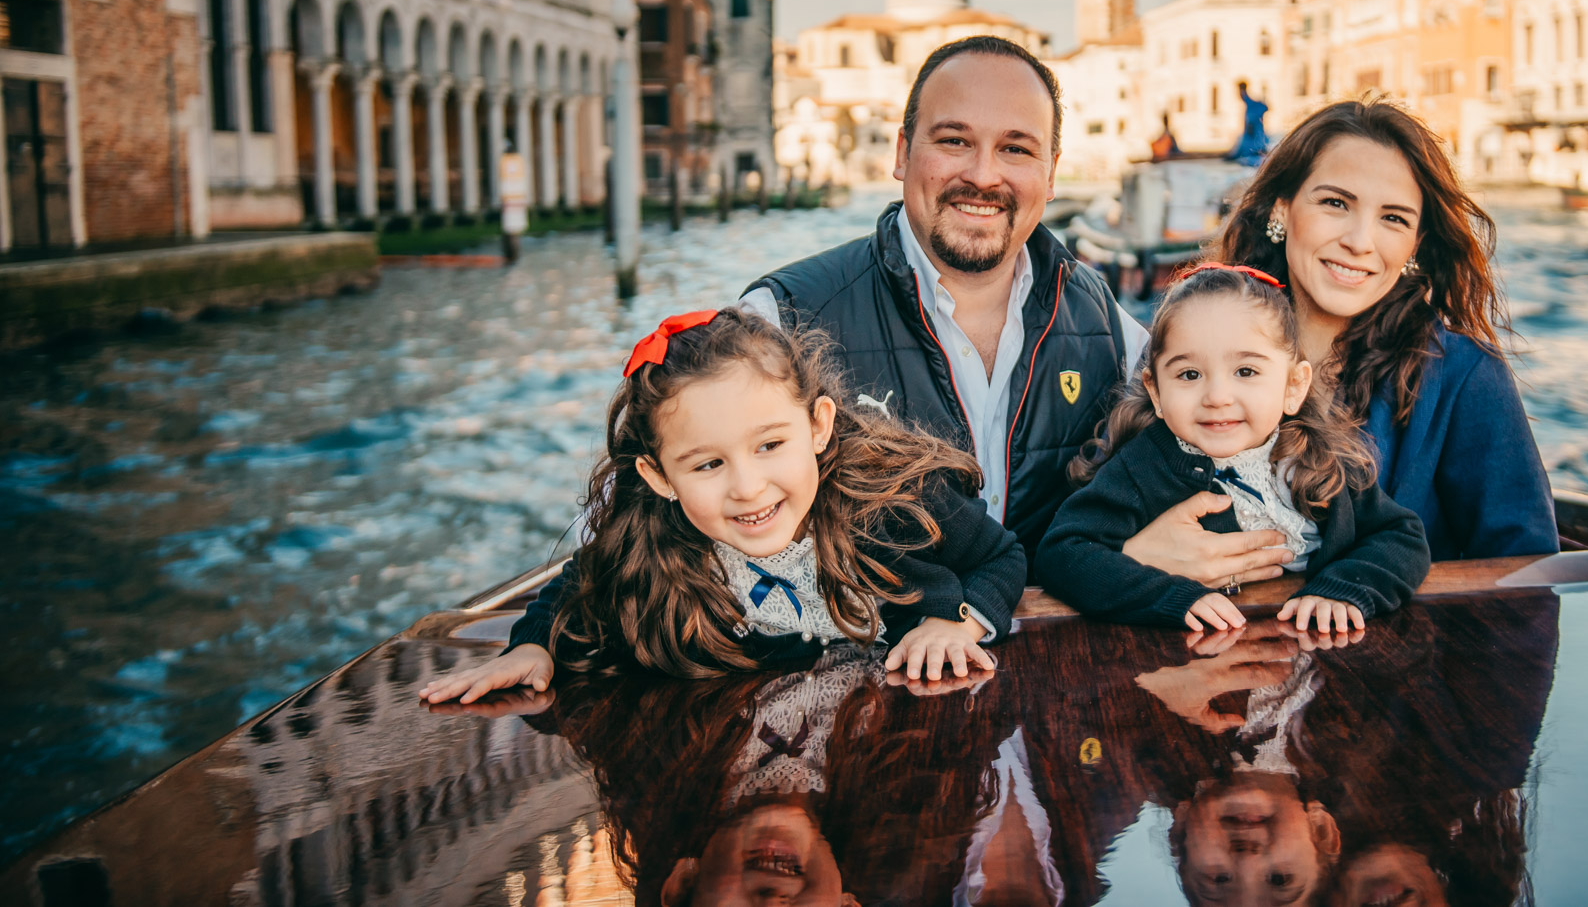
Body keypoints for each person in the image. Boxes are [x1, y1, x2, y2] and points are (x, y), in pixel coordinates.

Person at [417, 306, 1027, 699]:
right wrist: (532, 645)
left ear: (817, 427)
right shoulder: (656, 550)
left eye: (770, 445)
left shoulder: (892, 501)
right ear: (660, 477)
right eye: (708, 464)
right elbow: (582, 582)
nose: (746, 486)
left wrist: (957, 622)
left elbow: (1001, 555)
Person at [740, 35, 1153, 564]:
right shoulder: (782, 318)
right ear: (902, 152)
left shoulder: (1108, 324)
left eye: (1016, 149)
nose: (983, 175)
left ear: (1050, 173)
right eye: (955, 141)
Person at [1192, 98, 1556, 561]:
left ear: (1416, 243)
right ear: (1281, 209)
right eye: (1335, 203)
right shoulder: (1193, 342)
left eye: (1393, 218)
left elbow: (1525, 572)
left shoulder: (1466, 375)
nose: (1359, 242)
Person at [1037, 264, 1429, 635]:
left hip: (1309, 653)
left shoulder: (1320, 460)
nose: (1218, 397)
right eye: (1189, 374)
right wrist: (1168, 596)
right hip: (1192, 666)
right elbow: (1063, 556)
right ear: (1156, 390)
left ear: (1294, 386)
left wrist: (1342, 590)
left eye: (1246, 372)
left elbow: (1401, 536)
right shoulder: (1142, 467)